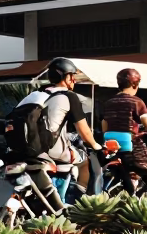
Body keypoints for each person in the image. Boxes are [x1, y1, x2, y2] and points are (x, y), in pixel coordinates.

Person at [14, 58, 101, 194]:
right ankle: (79, 199)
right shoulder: (70, 96)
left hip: (22, 149)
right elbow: (84, 132)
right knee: (84, 161)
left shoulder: (35, 94)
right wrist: (96, 146)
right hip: (51, 150)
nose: (74, 80)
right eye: (72, 76)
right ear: (65, 77)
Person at [101, 68, 147, 194]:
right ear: (135, 84)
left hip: (111, 144)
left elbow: (104, 123)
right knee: (146, 166)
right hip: (130, 143)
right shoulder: (136, 102)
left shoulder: (109, 102)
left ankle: (130, 184)